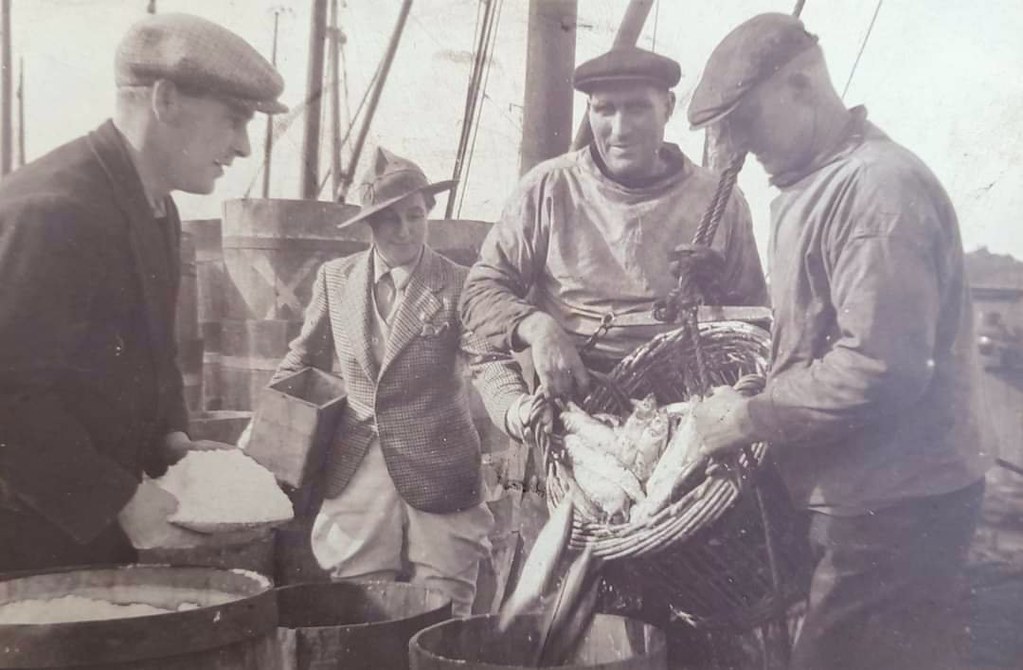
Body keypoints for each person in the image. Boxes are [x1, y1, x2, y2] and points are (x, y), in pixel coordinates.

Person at [687, 14, 992, 670]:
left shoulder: (872, 189)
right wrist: (765, 383)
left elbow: (879, 367)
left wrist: (749, 416)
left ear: (800, 86)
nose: (734, 147)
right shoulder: (815, 185)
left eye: (744, 121)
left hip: (894, 507)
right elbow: (823, 336)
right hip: (862, 497)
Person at [0, 13, 286, 573]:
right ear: (166, 99)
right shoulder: (53, 210)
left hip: (92, 538)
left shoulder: (153, 206)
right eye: (234, 120)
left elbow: (143, 360)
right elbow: (8, 396)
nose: (245, 148)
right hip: (25, 546)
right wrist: (121, 501)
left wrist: (172, 443)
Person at [269, 148, 530, 616]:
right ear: (369, 226)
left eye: (414, 216)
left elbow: (487, 361)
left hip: (441, 463)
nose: (405, 230)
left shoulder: (458, 284)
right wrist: (271, 419)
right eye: (390, 221)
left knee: (446, 597)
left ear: (429, 213)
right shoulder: (336, 279)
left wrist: (513, 409)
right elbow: (303, 356)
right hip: (355, 465)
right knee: (356, 595)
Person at [459, 46, 768, 401]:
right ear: (589, 111)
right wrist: (537, 327)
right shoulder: (549, 187)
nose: (620, 130)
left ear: (667, 107)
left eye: (637, 107)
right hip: (580, 392)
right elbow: (480, 290)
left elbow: (754, 314)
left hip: (690, 396)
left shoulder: (718, 199)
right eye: (605, 109)